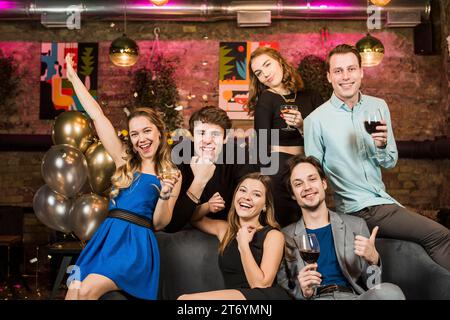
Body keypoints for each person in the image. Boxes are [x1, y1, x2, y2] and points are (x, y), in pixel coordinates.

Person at [304, 44, 450, 271]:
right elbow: (312, 177)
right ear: (329, 77)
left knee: (415, 251)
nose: (345, 76)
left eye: (351, 69)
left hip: (382, 201)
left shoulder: (378, 106)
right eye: (338, 71)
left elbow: (389, 161)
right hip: (357, 208)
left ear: (361, 72)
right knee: (441, 236)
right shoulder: (316, 120)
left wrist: (381, 146)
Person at [64, 54, 182, 300]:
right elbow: (98, 117)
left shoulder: (172, 174)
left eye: (147, 130)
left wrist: (164, 196)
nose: (142, 138)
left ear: (160, 133)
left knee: (84, 290)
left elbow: (160, 223)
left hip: (135, 246)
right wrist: (74, 80)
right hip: (107, 237)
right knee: (73, 289)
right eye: (136, 133)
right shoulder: (124, 160)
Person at [277, 155, 405, 300]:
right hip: (314, 299)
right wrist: (302, 292)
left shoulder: (356, 225)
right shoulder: (284, 237)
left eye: (312, 179)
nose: (307, 187)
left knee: (390, 292)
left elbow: (373, 285)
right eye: (298, 184)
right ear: (293, 195)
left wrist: (373, 261)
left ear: (323, 183)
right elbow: (283, 287)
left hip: (353, 297)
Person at [178, 172, 291, 300]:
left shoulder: (273, 235)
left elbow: (261, 285)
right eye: (243, 190)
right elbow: (193, 219)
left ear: (265, 205)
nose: (247, 197)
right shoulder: (225, 230)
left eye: (256, 194)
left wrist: (243, 245)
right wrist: (208, 207)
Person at [247, 47, 323, 227]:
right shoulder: (266, 99)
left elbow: (325, 137)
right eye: (259, 73)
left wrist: (302, 126)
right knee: (287, 224)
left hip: (309, 165)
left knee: (312, 221)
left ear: (280, 61)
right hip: (279, 169)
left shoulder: (311, 96)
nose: (265, 74)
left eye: (267, 65)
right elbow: (261, 145)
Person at [165, 106, 258, 232]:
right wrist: (199, 180)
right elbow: (172, 223)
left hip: (229, 226)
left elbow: (251, 203)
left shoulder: (239, 155)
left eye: (215, 134)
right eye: (201, 133)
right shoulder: (179, 155)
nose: (208, 140)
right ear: (192, 136)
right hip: (185, 230)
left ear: (225, 139)